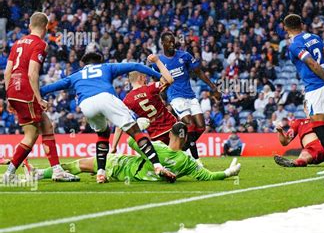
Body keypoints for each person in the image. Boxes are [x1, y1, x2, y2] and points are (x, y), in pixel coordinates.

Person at [40, 51, 176, 184]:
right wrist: (158, 75)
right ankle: (157, 166)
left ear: (84, 65)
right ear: (99, 62)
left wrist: (38, 96)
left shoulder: (76, 75)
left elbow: (50, 87)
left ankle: (100, 173)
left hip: (86, 105)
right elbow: (136, 66)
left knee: (102, 134)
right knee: (136, 132)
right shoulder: (106, 67)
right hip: (106, 97)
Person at [25, 122, 241, 182]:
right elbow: (207, 176)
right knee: (84, 167)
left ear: (173, 136)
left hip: (121, 164)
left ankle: (39, 173)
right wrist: (228, 173)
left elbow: (132, 141)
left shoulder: (158, 147)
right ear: (184, 138)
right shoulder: (187, 162)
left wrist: (140, 125)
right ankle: (40, 173)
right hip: (129, 176)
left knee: (78, 164)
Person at [3, 12, 78, 183]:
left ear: (30, 26)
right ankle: (9, 174)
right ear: (45, 28)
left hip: (14, 90)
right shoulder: (40, 44)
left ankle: (57, 170)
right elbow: (32, 73)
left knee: (46, 125)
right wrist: (39, 99)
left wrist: (9, 96)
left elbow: (7, 72)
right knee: (31, 134)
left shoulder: (17, 43)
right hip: (26, 90)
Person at [283, 14, 324, 175]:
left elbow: (312, 63)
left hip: (315, 85)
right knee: (323, 124)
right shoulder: (315, 37)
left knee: (319, 126)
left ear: (285, 28)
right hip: (321, 83)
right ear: (302, 24)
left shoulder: (295, 45)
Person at [152, 31, 221, 162]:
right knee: (189, 123)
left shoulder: (184, 56)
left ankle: (183, 149)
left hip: (190, 95)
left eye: (173, 41)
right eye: (169, 42)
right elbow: (156, 81)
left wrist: (213, 88)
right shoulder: (158, 62)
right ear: (162, 44)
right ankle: (196, 159)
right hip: (175, 97)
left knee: (201, 126)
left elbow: (199, 72)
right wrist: (160, 98)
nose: (172, 44)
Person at [111, 55, 176, 151]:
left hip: (155, 134)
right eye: (145, 77)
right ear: (141, 77)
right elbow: (170, 80)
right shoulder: (150, 88)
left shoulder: (127, 100)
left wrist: (113, 146)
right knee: (181, 154)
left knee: (166, 160)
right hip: (171, 125)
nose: (146, 79)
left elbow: (120, 125)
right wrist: (157, 61)